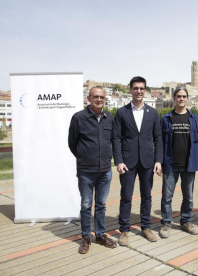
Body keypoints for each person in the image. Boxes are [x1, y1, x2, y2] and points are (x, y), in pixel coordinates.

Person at [113, 76, 163, 246]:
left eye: (141, 88)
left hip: (148, 161)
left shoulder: (153, 112)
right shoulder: (122, 112)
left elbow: (158, 138)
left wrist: (158, 160)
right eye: (135, 88)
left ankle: (146, 227)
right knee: (126, 196)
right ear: (131, 90)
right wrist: (118, 160)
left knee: (146, 196)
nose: (139, 91)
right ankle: (125, 230)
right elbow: (116, 138)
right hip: (127, 162)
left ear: (145, 90)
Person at [68, 86, 117, 254]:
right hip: (86, 171)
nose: (99, 100)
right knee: (86, 205)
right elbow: (72, 143)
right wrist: (84, 157)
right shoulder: (78, 118)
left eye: (102, 97)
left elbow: (112, 141)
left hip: (105, 170)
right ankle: (86, 237)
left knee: (101, 204)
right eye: (95, 97)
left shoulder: (108, 117)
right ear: (88, 98)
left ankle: (100, 235)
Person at [159, 86, 198, 238]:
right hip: (170, 164)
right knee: (167, 196)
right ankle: (166, 223)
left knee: (188, 196)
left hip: (189, 164)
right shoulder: (166, 119)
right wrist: (158, 162)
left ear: (187, 99)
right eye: (178, 96)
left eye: (184, 96)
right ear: (174, 99)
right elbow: (159, 142)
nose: (181, 99)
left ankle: (185, 220)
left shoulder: (194, 119)